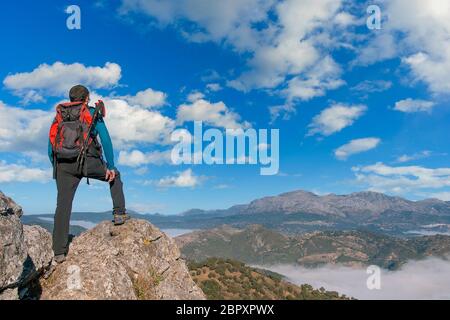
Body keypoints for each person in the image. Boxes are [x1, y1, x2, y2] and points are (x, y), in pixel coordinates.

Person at [48, 85, 129, 263]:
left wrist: (57, 166)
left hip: (63, 165)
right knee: (115, 176)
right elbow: (106, 140)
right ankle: (119, 213)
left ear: (71, 99)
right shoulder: (91, 112)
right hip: (87, 162)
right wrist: (111, 166)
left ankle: (59, 252)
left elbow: (50, 146)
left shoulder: (60, 115)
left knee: (63, 206)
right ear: (86, 98)